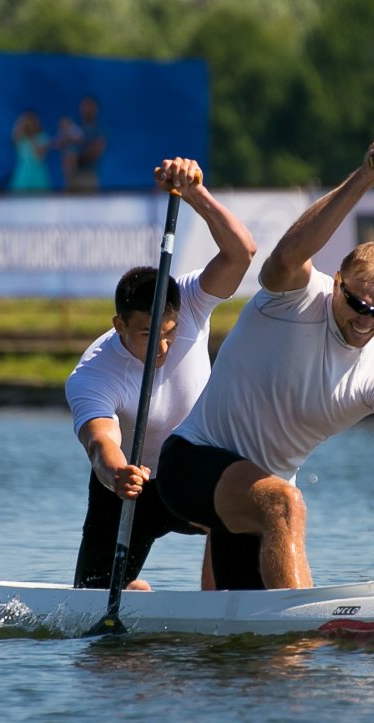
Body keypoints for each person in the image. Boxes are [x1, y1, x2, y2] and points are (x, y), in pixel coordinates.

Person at [157, 137, 374, 591]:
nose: (366, 320)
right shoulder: (293, 295)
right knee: (287, 505)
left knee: (240, 643)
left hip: (256, 494)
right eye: (358, 303)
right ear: (336, 283)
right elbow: (289, 253)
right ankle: (307, 645)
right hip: (191, 463)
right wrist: (367, 177)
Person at [65, 157, 256, 590]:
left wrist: (194, 194)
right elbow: (99, 442)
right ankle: (133, 590)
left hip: (196, 469)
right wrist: (118, 472)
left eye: (169, 333)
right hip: (128, 487)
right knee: (92, 600)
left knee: (249, 512)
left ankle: (220, 602)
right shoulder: (93, 373)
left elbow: (241, 252)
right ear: (119, 326)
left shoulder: (189, 300)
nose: (163, 347)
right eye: (148, 335)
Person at [60, 96, 107, 193]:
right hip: (71, 177)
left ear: (95, 109)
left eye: (90, 107)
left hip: (88, 176)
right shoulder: (76, 127)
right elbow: (61, 144)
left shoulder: (99, 130)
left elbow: (95, 152)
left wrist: (75, 156)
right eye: (84, 107)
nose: (86, 110)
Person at [8, 110, 54, 193]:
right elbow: (14, 136)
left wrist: (32, 136)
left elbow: (39, 155)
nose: (30, 124)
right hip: (23, 173)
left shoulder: (43, 136)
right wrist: (22, 121)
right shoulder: (21, 138)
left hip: (38, 173)